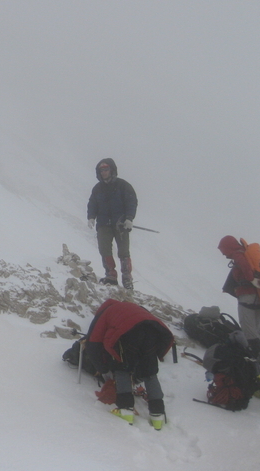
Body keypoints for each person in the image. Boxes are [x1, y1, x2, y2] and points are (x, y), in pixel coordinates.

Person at [85, 299, 174, 429]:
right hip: (154, 330)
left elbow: (93, 343)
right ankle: (158, 415)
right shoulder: (131, 307)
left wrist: (102, 369)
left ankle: (125, 409)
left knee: (122, 367)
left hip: (129, 332)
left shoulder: (104, 312)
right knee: (149, 371)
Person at [218, 235, 260, 374]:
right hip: (256, 297)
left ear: (228, 247)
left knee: (248, 330)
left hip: (247, 296)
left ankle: (257, 363)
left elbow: (245, 266)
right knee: (255, 330)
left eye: (223, 250)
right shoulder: (243, 253)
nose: (223, 254)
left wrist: (250, 279)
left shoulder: (238, 255)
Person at [87, 158, 138, 289]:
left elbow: (131, 202)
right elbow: (92, 204)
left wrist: (129, 218)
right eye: (101, 170)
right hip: (103, 224)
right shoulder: (97, 189)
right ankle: (111, 275)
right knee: (104, 249)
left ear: (111, 170)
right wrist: (91, 217)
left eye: (106, 169)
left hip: (120, 224)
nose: (104, 172)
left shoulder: (123, 186)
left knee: (123, 251)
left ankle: (127, 278)